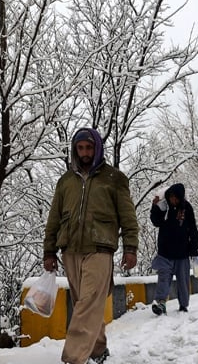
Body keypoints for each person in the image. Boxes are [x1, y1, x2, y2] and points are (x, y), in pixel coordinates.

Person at [43, 127, 140, 364]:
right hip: (70, 250)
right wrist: (49, 250)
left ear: (97, 148)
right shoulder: (65, 181)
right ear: (75, 150)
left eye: (89, 147)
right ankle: (97, 350)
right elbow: (54, 217)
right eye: (80, 148)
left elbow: (128, 216)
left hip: (100, 247)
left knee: (87, 303)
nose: (85, 152)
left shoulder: (114, 178)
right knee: (84, 303)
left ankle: (73, 359)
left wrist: (130, 247)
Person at [149, 183, 198, 315]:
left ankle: (183, 305)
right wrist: (154, 207)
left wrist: (194, 249)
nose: (173, 200)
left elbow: (193, 229)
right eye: (171, 197)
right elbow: (156, 221)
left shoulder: (187, 208)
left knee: (183, 282)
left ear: (180, 197)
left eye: (175, 198)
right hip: (165, 253)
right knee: (163, 280)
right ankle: (160, 303)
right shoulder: (164, 207)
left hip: (182, 254)